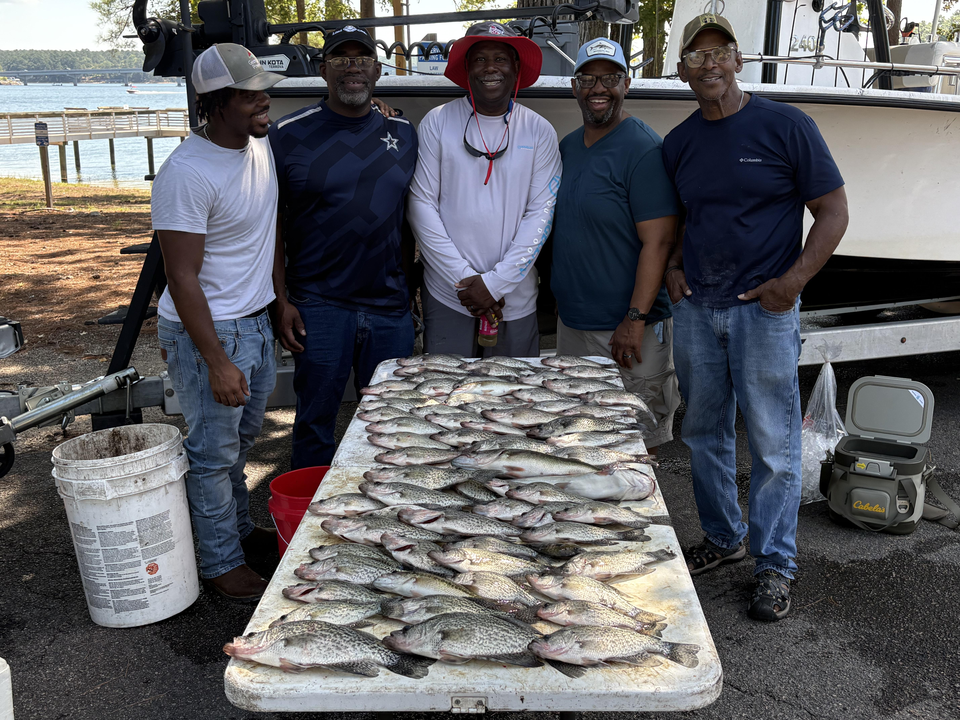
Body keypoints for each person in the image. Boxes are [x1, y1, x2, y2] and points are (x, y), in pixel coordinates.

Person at [661, 14, 849, 621]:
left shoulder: (785, 124)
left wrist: (792, 283)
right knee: (704, 432)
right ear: (684, 69)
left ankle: (775, 564)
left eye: (722, 53)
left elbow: (833, 211)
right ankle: (723, 539)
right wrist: (673, 269)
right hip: (698, 310)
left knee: (773, 441)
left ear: (739, 62)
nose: (710, 64)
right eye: (697, 56)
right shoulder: (680, 141)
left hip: (764, 312)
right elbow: (681, 219)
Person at [153, 43, 284, 601]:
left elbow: (267, 228)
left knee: (240, 440)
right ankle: (221, 563)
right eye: (252, 94)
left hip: (254, 321)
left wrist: (281, 299)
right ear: (217, 101)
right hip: (208, 331)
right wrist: (216, 360)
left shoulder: (258, 145)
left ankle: (231, 530)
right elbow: (181, 278)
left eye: (263, 92)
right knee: (210, 453)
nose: (264, 102)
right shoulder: (186, 172)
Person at [269, 27, 419, 469]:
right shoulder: (287, 134)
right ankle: (307, 521)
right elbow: (270, 225)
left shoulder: (404, 132)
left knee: (393, 424)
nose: (352, 66)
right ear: (323, 71)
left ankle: (385, 518)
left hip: (390, 307)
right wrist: (280, 301)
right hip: (317, 304)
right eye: (340, 58)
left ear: (376, 69)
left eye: (361, 58)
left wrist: (412, 291)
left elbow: (413, 215)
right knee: (315, 422)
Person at [550, 38, 680, 453]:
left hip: (627, 330)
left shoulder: (642, 148)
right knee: (582, 442)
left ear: (627, 84)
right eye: (588, 78)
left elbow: (658, 242)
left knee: (637, 445)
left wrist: (635, 319)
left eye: (609, 77)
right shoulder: (568, 146)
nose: (598, 88)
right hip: (574, 325)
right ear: (574, 87)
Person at [408, 22, 562, 357]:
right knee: (447, 399)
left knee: (512, 402)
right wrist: (466, 281)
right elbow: (420, 204)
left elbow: (541, 213)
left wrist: (495, 284)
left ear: (516, 68)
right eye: (479, 59)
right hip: (450, 293)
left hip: (514, 296)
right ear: (466, 68)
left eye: (500, 59)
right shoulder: (438, 122)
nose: (490, 68)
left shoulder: (539, 131)